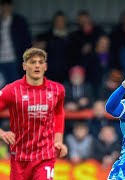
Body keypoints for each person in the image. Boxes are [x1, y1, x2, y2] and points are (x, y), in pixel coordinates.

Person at [0, 47, 68, 180]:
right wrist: (2, 133)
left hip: (45, 156)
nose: (37, 65)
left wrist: (58, 141)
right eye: (32, 62)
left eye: (40, 62)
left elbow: (59, 113)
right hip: (19, 157)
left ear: (45, 66)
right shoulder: (11, 90)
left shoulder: (57, 90)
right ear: (24, 66)